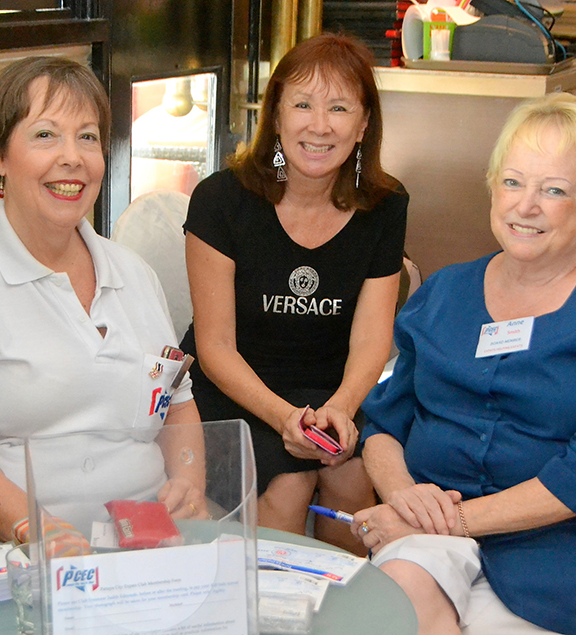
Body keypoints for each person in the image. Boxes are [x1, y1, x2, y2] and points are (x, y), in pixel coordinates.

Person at [352, 93, 576, 635]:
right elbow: (383, 425)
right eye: (513, 182)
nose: (526, 206)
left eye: (554, 191)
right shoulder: (446, 291)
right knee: (390, 610)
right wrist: (404, 498)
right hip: (430, 535)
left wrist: (454, 520)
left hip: (561, 555)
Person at [0, 57, 206, 559]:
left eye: (87, 137)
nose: (72, 158)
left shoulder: (136, 275)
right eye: (45, 136)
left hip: (131, 531)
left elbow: (177, 405)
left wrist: (188, 483)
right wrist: (45, 536)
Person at [180, 33, 408, 554]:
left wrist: (342, 410)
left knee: (353, 483)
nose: (319, 125)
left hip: (332, 392)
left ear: (364, 122)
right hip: (235, 389)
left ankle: (341, 613)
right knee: (290, 481)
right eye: (302, 104)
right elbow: (214, 347)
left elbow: (374, 340)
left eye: (339, 107)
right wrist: (285, 418)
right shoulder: (221, 200)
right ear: (276, 114)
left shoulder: (385, 205)